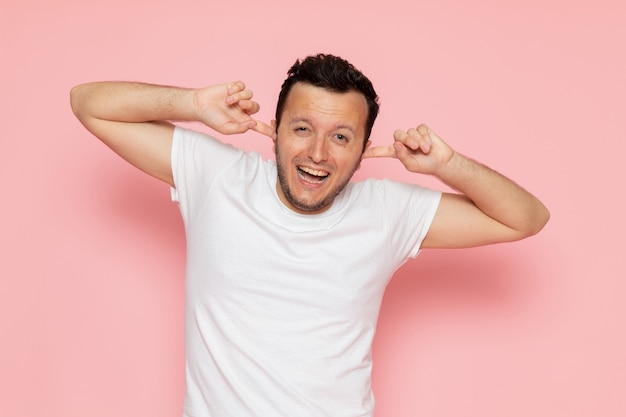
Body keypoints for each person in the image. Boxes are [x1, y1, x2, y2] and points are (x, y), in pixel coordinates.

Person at [70, 54, 549, 417]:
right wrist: (192, 104)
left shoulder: (386, 210)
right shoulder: (216, 176)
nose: (317, 153)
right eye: (302, 128)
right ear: (274, 130)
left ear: (364, 150)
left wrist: (448, 166)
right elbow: (89, 104)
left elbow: (525, 218)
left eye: (341, 137)